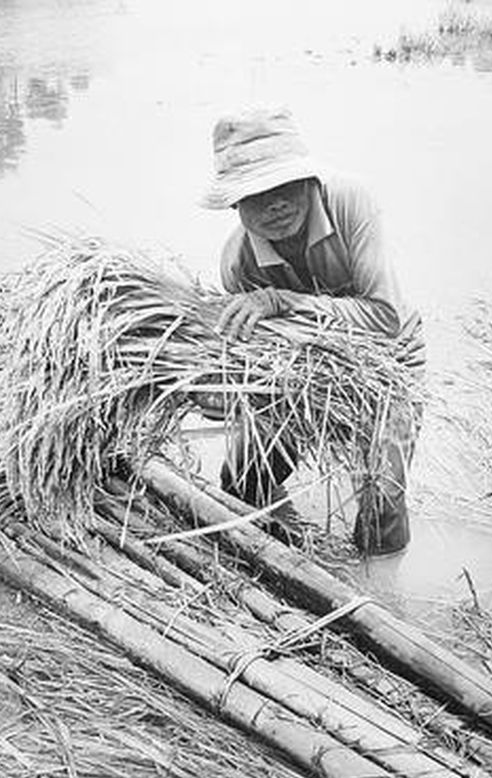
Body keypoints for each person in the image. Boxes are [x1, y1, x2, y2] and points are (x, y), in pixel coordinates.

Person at [198, 107, 425, 556]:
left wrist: (285, 301)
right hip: (297, 371)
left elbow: (384, 320)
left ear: (310, 182)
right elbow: (256, 364)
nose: (276, 204)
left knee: (382, 501)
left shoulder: (350, 203)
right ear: (234, 204)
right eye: (257, 195)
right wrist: (220, 392)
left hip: (388, 362)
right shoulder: (237, 264)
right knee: (245, 480)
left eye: (285, 187)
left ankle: (381, 594)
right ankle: (282, 562)